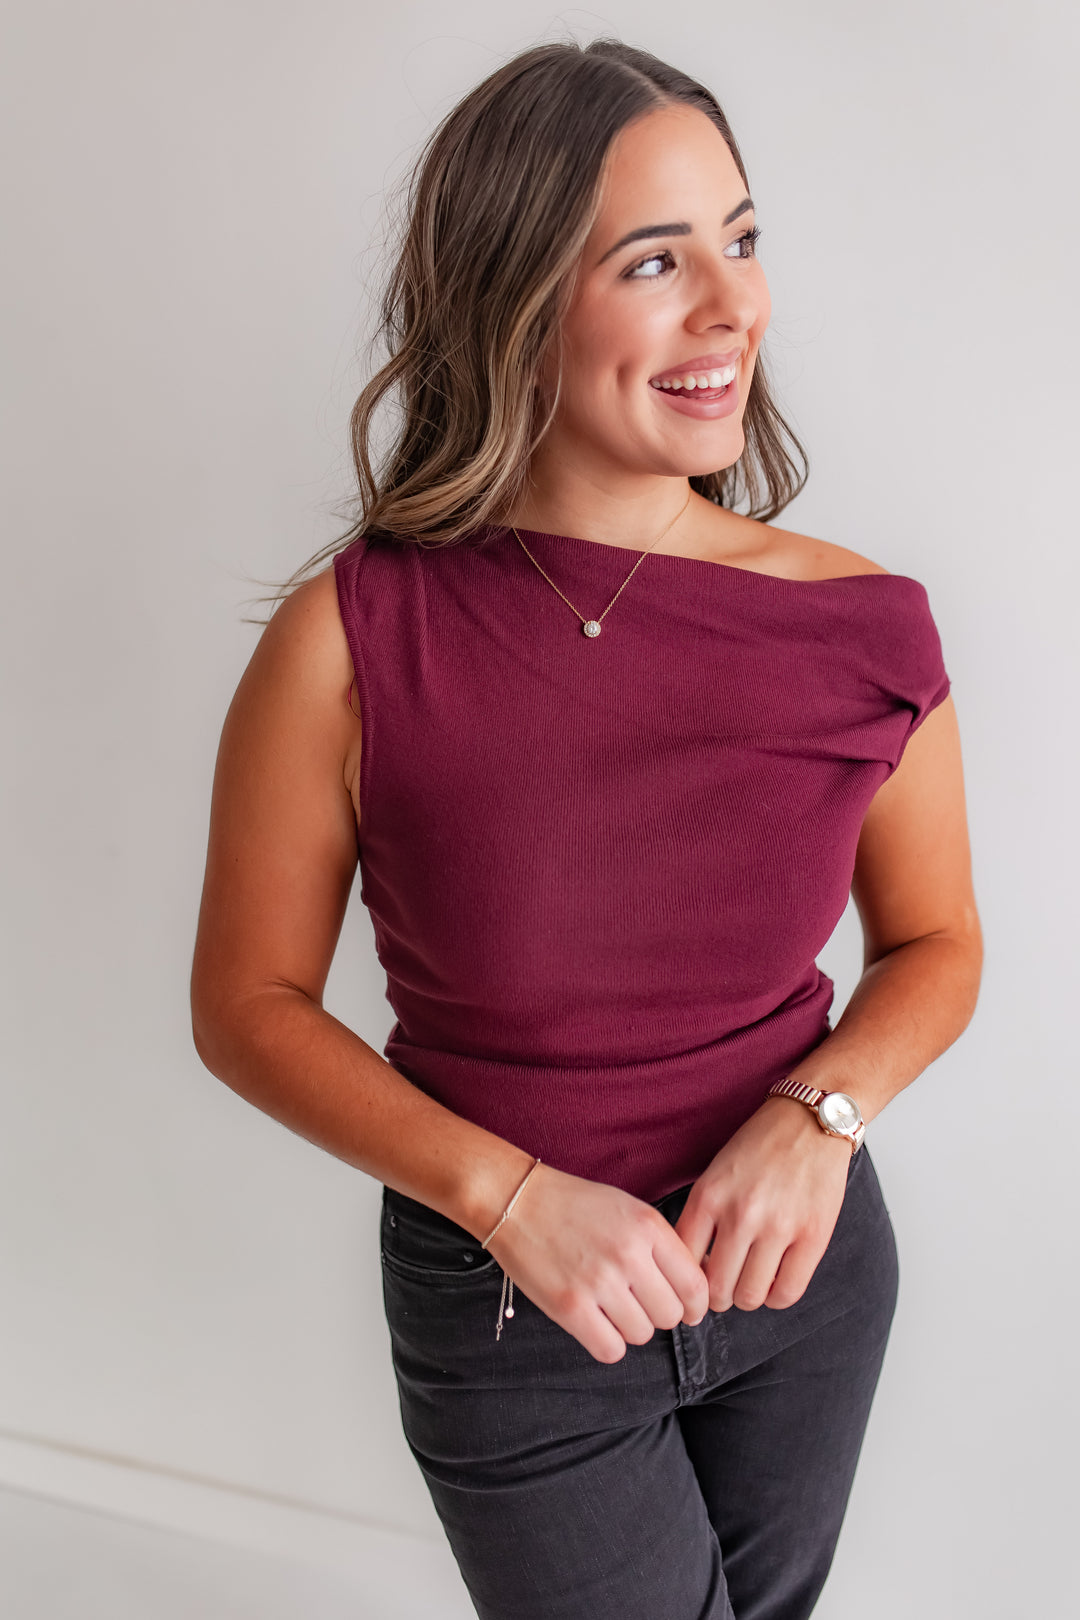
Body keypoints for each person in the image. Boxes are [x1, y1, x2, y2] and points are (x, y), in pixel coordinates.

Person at [190, 36, 982, 1620]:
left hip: (802, 1270)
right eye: (653, 261)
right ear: (516, 296)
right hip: (510, 1311)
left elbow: (938, 944)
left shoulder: (864, 626)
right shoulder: (353, 638)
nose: (732, 305)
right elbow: (246, 1008)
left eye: (742, 241)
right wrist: (507, 1199)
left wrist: (817, 1121)